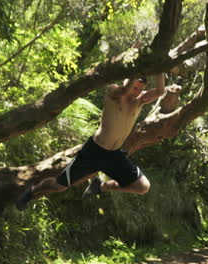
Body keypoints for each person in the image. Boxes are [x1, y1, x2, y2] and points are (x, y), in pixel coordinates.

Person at [16, 73, 165, 211]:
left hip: (114, 155)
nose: (136, 92)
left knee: (143, 187)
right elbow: (124, 89)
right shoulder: (114, 92)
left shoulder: (140, 101)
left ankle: (100, 186)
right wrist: (135, 67)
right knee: (59, 185)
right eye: (135, 87)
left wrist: (160, 67)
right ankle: (32, 191)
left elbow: (159, 91)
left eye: (140, 89)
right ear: (127, 81)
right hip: (94, 151)